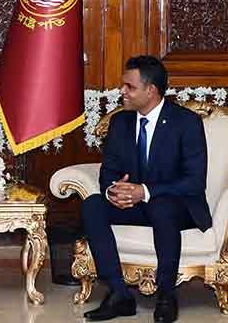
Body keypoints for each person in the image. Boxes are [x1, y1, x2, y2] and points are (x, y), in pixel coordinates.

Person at [81, 56, 211, 323]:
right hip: (134, 205)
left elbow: (194, 181)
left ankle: (166, 295)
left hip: (176, 206)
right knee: (93, 205)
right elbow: (108, 171)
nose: (123, 91)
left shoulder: (185, 122)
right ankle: (119, 294)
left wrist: (144, 191)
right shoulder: (121, 122)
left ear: (151, 90)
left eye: (130, 87)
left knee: (162, 207)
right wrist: (114, 193)